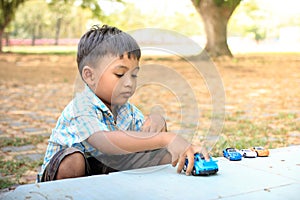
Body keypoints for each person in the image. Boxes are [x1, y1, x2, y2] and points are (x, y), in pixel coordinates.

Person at [38, 25, 208, 182]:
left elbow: (146, 141)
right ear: (90, 76)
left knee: (162, 156)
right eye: (120, 74)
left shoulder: (127, 111)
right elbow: (106, 142)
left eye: (134, 75)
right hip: (67, 176)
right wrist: (166, 138)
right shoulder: (81, 107)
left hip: (104, 174)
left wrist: (158, 123)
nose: (129, 83)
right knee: (73, 160)